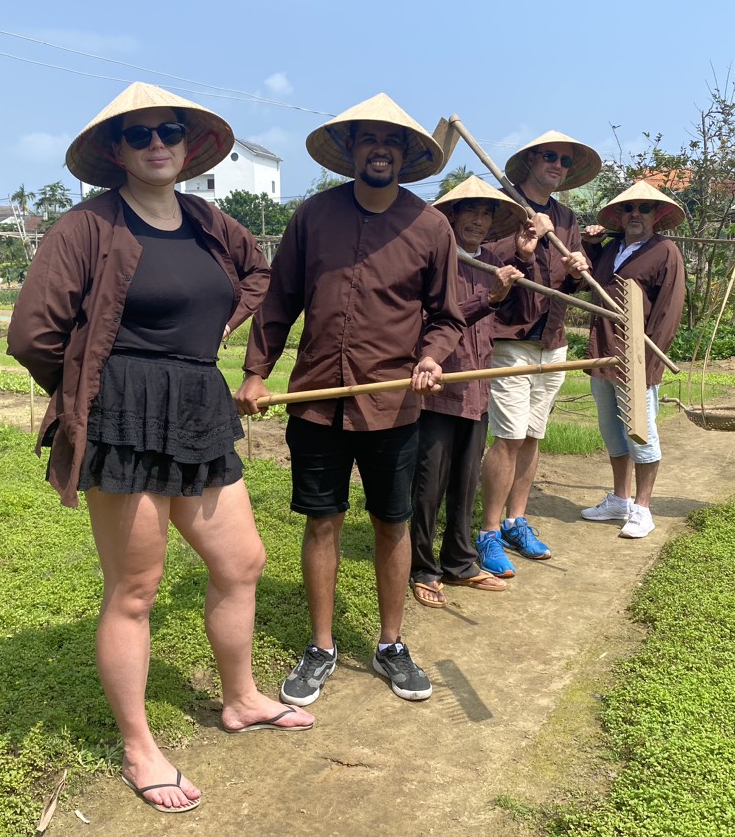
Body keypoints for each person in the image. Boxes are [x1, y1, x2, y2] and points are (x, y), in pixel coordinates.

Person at [7, 82, 312, 815]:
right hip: (124, 414)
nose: (156, 145)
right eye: (139, 135)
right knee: (137, 590)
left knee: (242, 563)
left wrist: (211, 338)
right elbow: (32, 334)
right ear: (115, 151)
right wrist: (91, 382)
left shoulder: (209, 221)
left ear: (187, 144)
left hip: (199, 406)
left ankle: (239, 698)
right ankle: (140, 745)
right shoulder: (86, 227)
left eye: (168, 131)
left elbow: (258, 277)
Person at [235, 93, 465, 704]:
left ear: (408, 154)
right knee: (323, 520)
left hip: (394, 405)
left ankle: (391, 645)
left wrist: (430, 357)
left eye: (392, 142)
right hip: (316, 400)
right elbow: (279, 302)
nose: (380, 150)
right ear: (352, 151)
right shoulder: (313, 217)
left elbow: (447, 316)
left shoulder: (430, 226)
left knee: (393, 523)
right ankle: (321, 646)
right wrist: (257, 373)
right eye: (368, 140)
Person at [409, 176, 540, 607]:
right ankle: (422, 566)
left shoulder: (490, 261)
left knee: (465, 483)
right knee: (430, 483)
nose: (479, 221)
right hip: (438, 384)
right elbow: (432, 319)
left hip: (477, 387)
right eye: (471, 211)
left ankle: (460, 560)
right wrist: (489, 298)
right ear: (452, 216)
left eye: (487, 213)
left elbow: (524, 309)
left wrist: (524, 261)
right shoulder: (437, 259)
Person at [477, 131, 602, 578]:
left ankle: (516, 520)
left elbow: (565, 286)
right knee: (507, 437)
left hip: (551, 340)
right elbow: (487, 264)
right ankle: (488, 531)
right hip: (509, 340)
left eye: (564, 161)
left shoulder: (567, 218)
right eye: (549, 157)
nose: (557, 165)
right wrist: (524, 246)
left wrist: (576, 271)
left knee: (532, 436)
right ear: (531, 160)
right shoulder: (503, 209)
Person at [578, 180, 687, 539]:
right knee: (612, 432)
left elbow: (669, 311)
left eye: (644, 209)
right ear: (620, 216)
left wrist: (650, 364)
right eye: (628, 209)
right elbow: (583, 282)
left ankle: (643, 507)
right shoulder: (611, 248)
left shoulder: (665, 251)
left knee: (642, 433)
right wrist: (589, 246)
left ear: (657, 215)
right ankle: (620, 499)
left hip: (637, 359)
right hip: (603, 354)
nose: (635, 214)